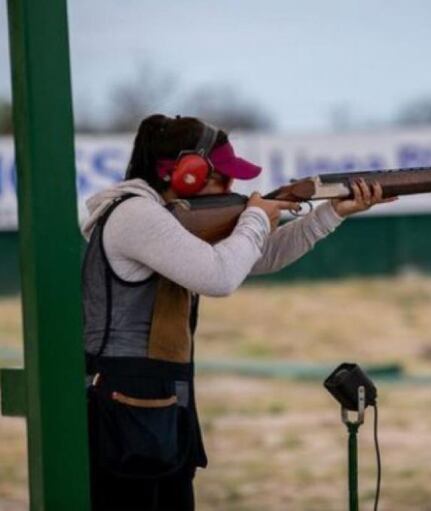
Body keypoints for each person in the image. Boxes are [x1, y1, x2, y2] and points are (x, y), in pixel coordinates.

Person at [80, 114, 395, 511]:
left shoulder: (164, 216)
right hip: (123, 416)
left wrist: (331, 213)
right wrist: (255, 218)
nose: (234, 188)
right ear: (186, 175)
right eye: (224, 179)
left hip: (159, 409)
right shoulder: (136, 216)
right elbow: (220, 276)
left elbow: (260, 256)